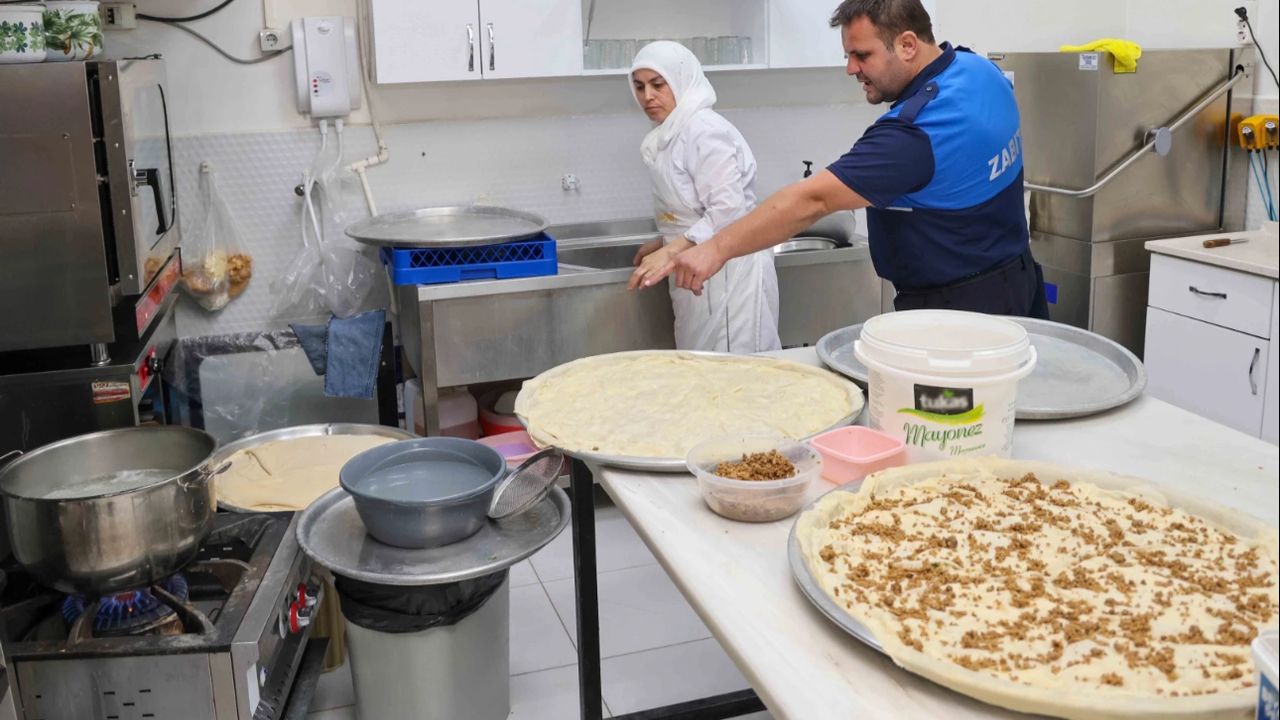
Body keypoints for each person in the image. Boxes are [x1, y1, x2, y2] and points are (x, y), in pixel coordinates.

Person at [646, 0, 1050, 319]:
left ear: (908, 45)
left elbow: (812, 200)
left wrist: (715, 249)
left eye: (861, 55)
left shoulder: (912, 134)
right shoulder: (979, 70)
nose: (850, 68)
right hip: (1017, 279)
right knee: (1011, 396)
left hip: (957, 314)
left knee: (944, 403)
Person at [626, 41, 782, 352]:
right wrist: (665, 241)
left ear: (681, 81)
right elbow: (694, 209)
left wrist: (671, 252)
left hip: (730, 274)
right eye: (640, 87)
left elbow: (728, 210)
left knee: (736, 367)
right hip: (696, 272)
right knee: (699, 366)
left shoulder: (704, 130)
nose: (648, 96)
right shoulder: (670, 133)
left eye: (658, 84)